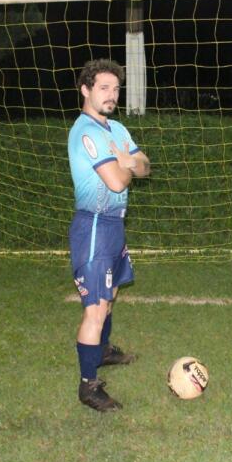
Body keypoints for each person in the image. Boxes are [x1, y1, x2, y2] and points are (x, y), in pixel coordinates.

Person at [67, 59, 150, 412]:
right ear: (85, 90)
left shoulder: (117, 128)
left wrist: (129, 162)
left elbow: (144, 165)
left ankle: (102, 350)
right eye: (104, 88)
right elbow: (117, 180)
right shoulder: (85, 132)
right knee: (95, 310)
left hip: (115, 225)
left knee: (111, 294)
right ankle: (88, 386)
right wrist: (127, 165)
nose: (111, 95)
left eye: (116, 89)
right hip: (95, 227)